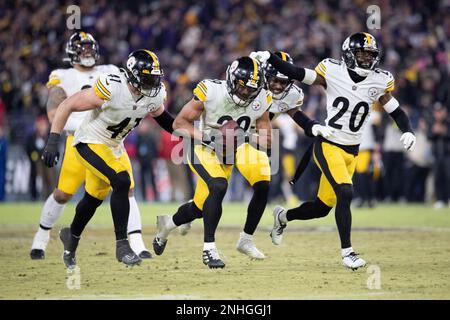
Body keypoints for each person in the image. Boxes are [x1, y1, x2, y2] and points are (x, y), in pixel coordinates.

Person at [251, 32, 417, 270]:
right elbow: (299, 73)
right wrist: (270, 58)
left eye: (370, 55)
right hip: (329, 145)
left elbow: (396, 111)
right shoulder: (331, 71)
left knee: (321, 208)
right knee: (346, 193)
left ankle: (282, 217)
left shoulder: (380, 81)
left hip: (353, 150)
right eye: (361, 54)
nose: (366, 60)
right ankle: (347, 253)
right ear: (349, 55)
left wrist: (407, 130)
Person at [41, 49, 175, 268]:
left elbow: (167, 122)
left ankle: (71, 237)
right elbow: (67, 105)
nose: (152, 83)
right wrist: (53, 140)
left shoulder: (154, 95)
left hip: (113, 146)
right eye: (147, 78)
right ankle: (123, 246)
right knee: (122, 181)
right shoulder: (113, 85)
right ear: (132, 75)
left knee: (93, 199)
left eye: (155, 78)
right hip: (89, 141)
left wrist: (196, 136)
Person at [30, 32, 152, 260]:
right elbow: (55, 109)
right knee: (63, 194)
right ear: (71, 51)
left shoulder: (111, 71)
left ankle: (136, 243)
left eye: (89, 47)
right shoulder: (62, 75)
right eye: (82, 47)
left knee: (126, 187)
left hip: (110, 140)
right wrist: (54, 137)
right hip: (80, 139)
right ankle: (41, 237)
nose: (87, 52)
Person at [152, 56, 273, 269]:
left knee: (200, 207)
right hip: (201, 147)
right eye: (242, 87)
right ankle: (209, 249)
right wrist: (208, 137)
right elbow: (180, 123)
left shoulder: (262, 99)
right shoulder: (211, 90)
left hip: (228, 153)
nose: (245, 93)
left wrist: (245, 137)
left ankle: (166, 227)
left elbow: (268, 141)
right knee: (218, 186)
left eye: (250, 89)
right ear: (231, 79)